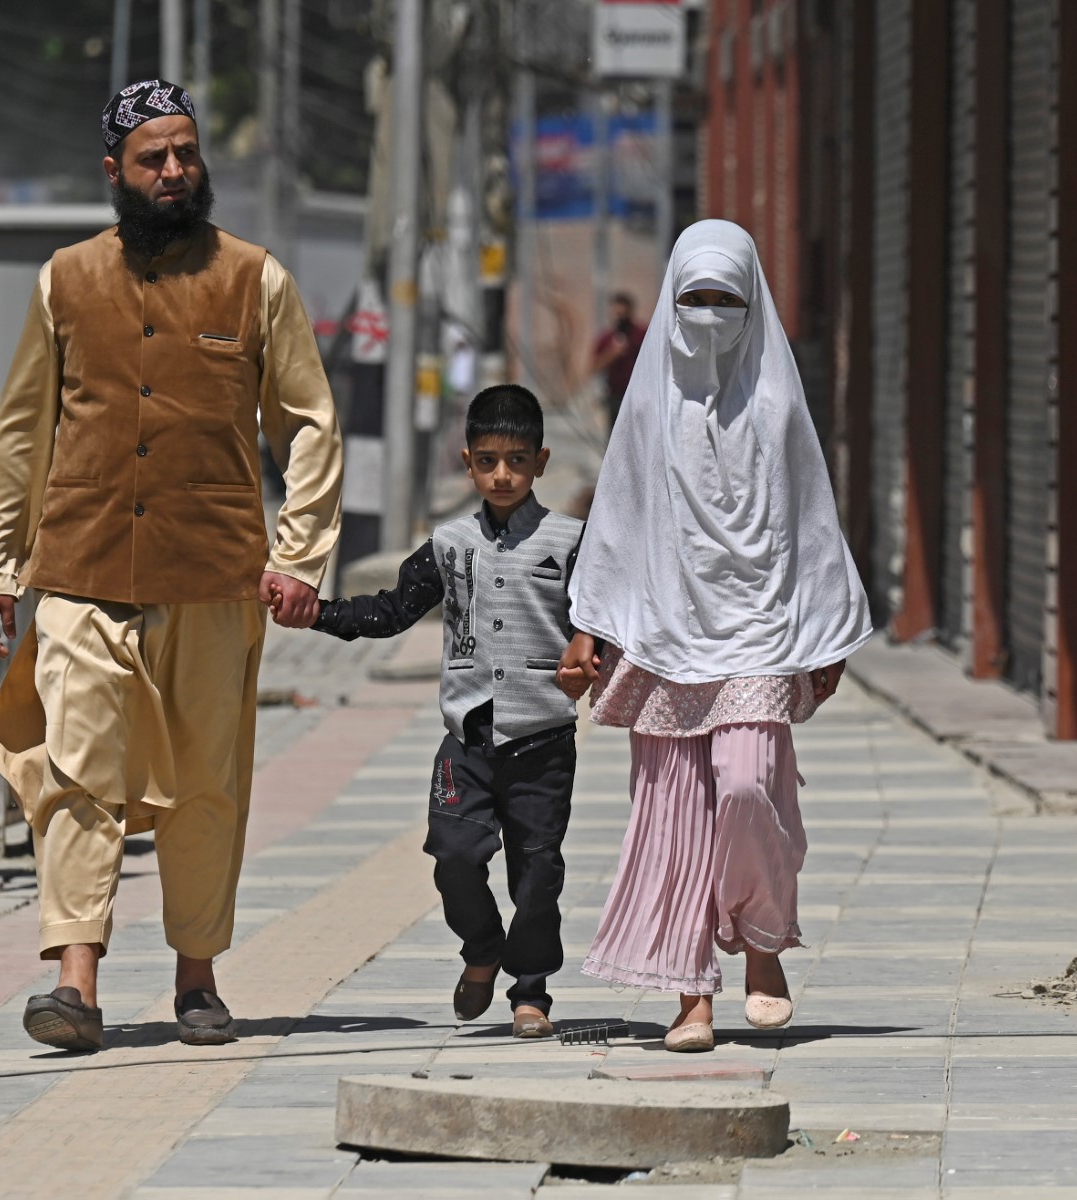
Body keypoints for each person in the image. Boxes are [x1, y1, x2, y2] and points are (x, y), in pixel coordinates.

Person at [0, 79, 343, 1051]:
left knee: (208, 783)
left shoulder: (255, 279)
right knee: (77, 772)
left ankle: (197, 977)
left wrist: (300, 554)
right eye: (153, 158)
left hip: (214, 574)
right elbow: (22, 431)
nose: (174, 171)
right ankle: (77, 982)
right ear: (115, 173)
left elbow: (308, 421)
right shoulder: (65, 279)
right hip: (83, 568)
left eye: (185, 153)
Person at [557, 219, 873, 1053]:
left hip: (760, 630)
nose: (706, 316)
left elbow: (810, 517)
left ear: (750, 306)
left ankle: (763, 942)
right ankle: (691, 996)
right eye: (692, 299)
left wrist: (827, 627)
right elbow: (619, 517)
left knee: (745, 785)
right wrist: (591, 625)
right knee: (677, 818)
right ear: (670, 301)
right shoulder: (650, 404)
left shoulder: (774, 403)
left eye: (724, 302)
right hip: (665, 631)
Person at [310, 385, 583, 1039]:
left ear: (540, 461)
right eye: (487, 460)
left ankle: (530, 990)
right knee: (454, 857)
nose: (502, 474)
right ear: (467, 462)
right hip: (468, 738)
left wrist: (598, 651)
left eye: (516, 460)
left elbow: (608, 620)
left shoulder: (573, 543)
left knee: (537, 871)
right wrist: (316, 613)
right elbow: (389, 610)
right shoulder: (449, 543)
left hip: (543, 736)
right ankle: (483, 947)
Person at [591, 292, 646, 432]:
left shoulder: (641, 334)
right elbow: (594, 367)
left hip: (639, 395)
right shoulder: (607, 338)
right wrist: (612, 353)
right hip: (615, 396)